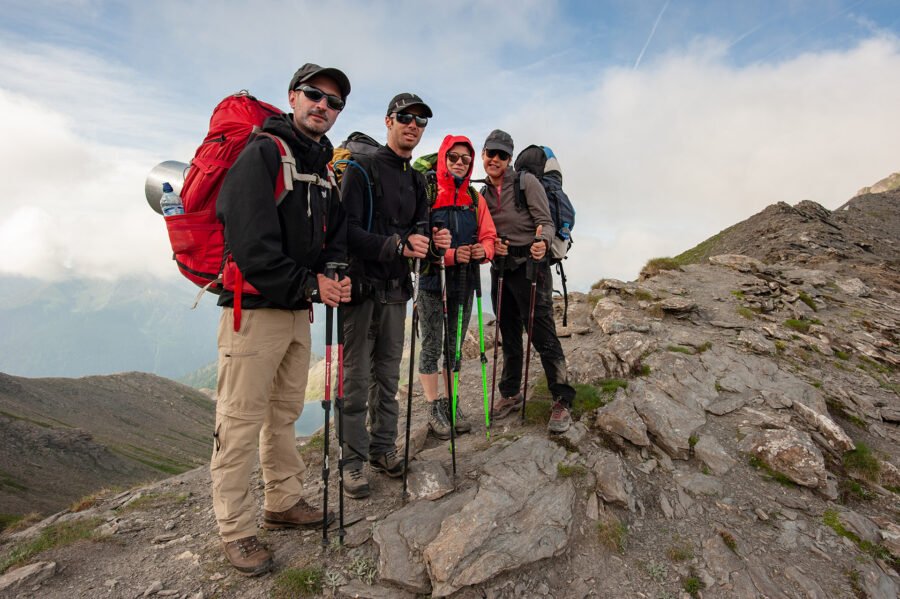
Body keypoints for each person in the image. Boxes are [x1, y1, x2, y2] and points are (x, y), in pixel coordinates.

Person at [211, 63, 352, 576]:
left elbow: (333, 235)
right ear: (293, 97)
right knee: (240, 422)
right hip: (253, 311)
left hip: (296, 311)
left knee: (284, 414)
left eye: (333, 102)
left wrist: (334, 273)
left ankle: (282, 501)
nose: (323, 106)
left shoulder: (322, 167)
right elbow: (250, 245)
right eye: (315, 95)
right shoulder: (263, 154)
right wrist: (311, 283)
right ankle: (236, 529)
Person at [340, 93, 451, 499]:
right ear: (389, 121)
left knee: (387, 377)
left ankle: (382, 448)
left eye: (421, 121)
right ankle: (352, 463)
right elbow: (346, 232)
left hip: (395, 293)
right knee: (355, 380)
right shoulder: (361, 169)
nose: (414, 126)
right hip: (360, 290)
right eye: (406, 118)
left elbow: (419, 233)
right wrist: (397, 247)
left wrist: (435, 243)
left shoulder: (415, 180)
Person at [480, 129, 576, 433]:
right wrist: (492, 245)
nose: (495, 159)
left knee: (541, 333)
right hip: (501, 269)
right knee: (508, 333)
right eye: (490, 153)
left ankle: (562, 399)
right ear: (483, 155)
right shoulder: (482, 194)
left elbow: (545, 222)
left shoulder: (525, 183)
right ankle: (510, 393)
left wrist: (542, 242)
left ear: (509, 159)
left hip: (530, 268)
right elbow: (484, 233)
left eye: (501, 155)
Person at [417, 135, 497, 439]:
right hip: (431, 282)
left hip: (464, 283)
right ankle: (432, 405)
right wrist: (450, 256)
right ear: (443, 158)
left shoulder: (475, 199)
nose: (460, 163)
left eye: (465, 158)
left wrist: (483, 251)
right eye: (453, 157)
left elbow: (488, 235)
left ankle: (452, 403)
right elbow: (419, 241)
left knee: (454, 347)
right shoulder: (428, 193)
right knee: (431, 346)